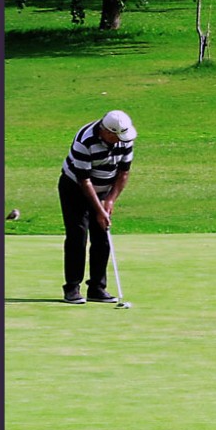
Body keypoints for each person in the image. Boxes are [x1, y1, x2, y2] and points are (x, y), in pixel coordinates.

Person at [59, 110, 137, 304]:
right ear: (106, 131)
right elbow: (84, 180)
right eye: (116, 136)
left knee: (102, 237)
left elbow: (124, 174)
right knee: (78, 236)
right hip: (75, 188)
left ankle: (97, 288)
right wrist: (98, 210)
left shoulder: (125, 139)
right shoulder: (84, 141)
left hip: (104, 189)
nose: (120, 140)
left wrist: (109, 201)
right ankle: (72, 288)